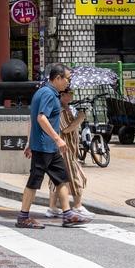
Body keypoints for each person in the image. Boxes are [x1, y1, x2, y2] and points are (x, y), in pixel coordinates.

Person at [17, 64, 83, 229]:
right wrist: (58, 139)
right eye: (67, 78)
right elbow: (40, 118)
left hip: (47, 147)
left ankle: (68, 214)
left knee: (61, 179)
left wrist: (29, 143)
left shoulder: (44, 92)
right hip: (44, 146)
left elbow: (32, 119)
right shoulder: (48, 94)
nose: (69, 82)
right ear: (58, 78)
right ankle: (23, 217)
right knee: (34, 181)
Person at [48, 87, 93, 221]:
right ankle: (77, 206)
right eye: (69, 94)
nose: (71, 96)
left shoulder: (66, 108)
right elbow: (66, 129)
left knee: (56, 178)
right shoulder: (60, 110)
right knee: (74, 176)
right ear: (62, 95)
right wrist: (79, 119)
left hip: (68, 149)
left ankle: (52, 208)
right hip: (65, 150)